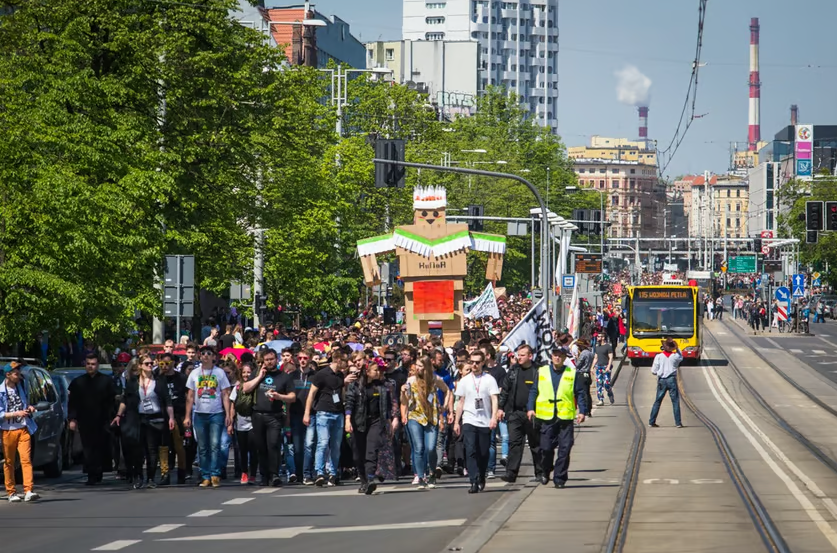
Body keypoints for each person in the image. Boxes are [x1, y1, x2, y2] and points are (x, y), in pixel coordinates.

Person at [527, 346, 587, 489]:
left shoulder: (572, 373)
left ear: (565, 358)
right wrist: (530, 408)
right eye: (555, 355)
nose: (557, 358)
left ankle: (560, 478)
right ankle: (546, 470)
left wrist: (582, 411)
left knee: (565, 449)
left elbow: (579, 393)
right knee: (546, 448)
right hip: (546, 417)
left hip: (564, 417)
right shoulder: (542, 372)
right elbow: (534, 391)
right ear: (551, 356)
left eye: (560, 355)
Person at [113, 355, 175, 489]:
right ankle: (138, 476)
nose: (150, 365)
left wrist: (171, 417)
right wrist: (119, 414)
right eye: (147, 363)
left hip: (155, 419)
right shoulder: (133, 382)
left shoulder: (159, 381)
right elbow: (125, 400)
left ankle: (151, 478)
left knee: (152, 450)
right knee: (137, 450)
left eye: (152, 363)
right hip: (139, 419)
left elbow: (167, 400)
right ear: (140, 366)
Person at [344, 357, 399, 494]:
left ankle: (370, 478)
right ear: (367, 371)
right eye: (375, 370)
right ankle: (363, 479)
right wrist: (348, 420)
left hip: (376, 422)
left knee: (371, 450)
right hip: (358, 422)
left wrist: (389, 421)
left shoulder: (381, 387)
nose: (378, 372)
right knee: (358, 454)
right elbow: (349, 402)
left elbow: (385, 406)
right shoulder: (355, 386)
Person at [242, 348, 295, 487]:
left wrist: (279, 396)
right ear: (263, 361)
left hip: (275, 416)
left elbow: (292, 397)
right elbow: (245, 388)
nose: (269, 362)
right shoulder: (257, 373)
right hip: (257, 415)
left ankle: (274, 474)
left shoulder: (284, 376)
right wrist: (259, 376)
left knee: (273, 445)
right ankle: (264, 476)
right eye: (267, 360)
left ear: (276, 360)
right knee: (261, 447)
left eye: (272, 359)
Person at [184, 346, 233, 488]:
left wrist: (228, 414)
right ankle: (205, 475)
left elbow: (225, 394)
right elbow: (190, 396)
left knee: (215, 445)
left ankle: (215, 474)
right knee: (202, 447)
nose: (205, 356)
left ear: (214, 357)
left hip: (216, 414)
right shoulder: (194, 373)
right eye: (203, 353)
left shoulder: (219, 373)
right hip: (199, 414)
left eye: (208, 354)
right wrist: (187, 416)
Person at [453, 351, 500, 494]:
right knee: (470, 449)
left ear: (482, 363)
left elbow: (494, 399)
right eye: (472, 362)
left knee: (483, 452)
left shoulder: (489, 379)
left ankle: (481, 476)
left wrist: (493, 417)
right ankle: (473, 480)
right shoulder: (465, 381)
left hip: (485, 420)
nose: (474, 365)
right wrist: (456, 421)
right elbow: (461, 402)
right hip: (469, 419)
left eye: (477, 362)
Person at [401, 356, 451, 489]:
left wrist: (444, 407)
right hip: (415, 416)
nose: (418, 368)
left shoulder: (434, 379)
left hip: (431, 417)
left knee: (430, 448)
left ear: (427, 367)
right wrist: (403, 394)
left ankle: (432, 472)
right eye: (416, 365)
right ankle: (421, 476)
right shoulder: (411, 380)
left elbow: (447, 391)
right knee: (418, 448)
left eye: (421, 366)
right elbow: (405, 401)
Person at [68, 353, 117, 485]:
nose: (91, 366)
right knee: (88, 448)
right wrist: (72, 419)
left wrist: (114, 417)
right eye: (88, 364)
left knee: (101, 447)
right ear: (85, 364)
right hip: (85, 420)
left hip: (103, 420)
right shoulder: (78, 383)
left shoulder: (106, 381)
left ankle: (99, 471)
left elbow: (113, 401)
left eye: (93, 364)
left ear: (97, 365)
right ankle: (91, 474)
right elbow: (72, 403)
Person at [497, 344, 542, 484]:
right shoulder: (513, 371)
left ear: (530, 356)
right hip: (515, 413)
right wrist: (500, 407)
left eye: (522, 355)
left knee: (536, 444)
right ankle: (511, 473)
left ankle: (540, 472)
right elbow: (505, 390)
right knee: (514, 443)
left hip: (533, 414)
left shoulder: (538, 371)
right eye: (518, 354)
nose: (519, 357)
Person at [303, 352, 346, 487]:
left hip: (338, 413)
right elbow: (312, 393)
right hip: (323, 412)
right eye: (345, 361)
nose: (347, 364)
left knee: (336, 445)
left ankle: (333, 473)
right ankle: (319, 472)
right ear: (338, 360)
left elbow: (341, 393)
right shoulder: (321, 374)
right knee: (323, 442)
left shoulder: (340, 375)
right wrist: (307, 413)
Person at [0, 362, 40, 502]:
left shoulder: (20, 387)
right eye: (16, 373)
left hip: (23, 428)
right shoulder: (0, 391)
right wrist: (16, 413)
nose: (19, 375)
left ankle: (28, 490)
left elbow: (24, 404)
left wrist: (29, 408)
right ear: (8, 375)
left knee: (26, 460)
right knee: (9, 462)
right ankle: (11, 492)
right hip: (7, 431)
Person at [288, 348, 317, 484]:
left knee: (309, 445)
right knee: (298, 446)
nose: (303, 361)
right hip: (295, 413)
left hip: (311, 413)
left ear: (310, 359)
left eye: (305, 358)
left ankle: (307, 473)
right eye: (300, 358)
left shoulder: (314, 375)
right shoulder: (292, 375)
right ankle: (298, 473)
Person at [159, 352, 189, 484]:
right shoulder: (158, 378)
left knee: (179, 445)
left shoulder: (181, 378)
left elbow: (188, 396)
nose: (165, 366)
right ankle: (164, 473)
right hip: (162, 415)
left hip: (178, 414)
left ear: (173, 363)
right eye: (162, 364)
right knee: (163, 445)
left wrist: (187, 416)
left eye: (168, 363)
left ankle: (182, 471)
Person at [231, 362, 258, 484]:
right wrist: (230, 423)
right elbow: (232, 405)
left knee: (253, 449)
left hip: (253, 422)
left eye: (249, 372)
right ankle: (244, 472)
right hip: (240, 423)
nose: (246, 374)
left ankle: (253, 474)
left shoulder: (256, 386)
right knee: (242, 450)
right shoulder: (237, 387)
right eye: (244, 372)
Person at [648, 339, 684, 428]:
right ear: (672, 348)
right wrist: (677, 347)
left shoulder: (659, 357)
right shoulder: (675, 357)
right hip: (671, 379)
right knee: (675, 401)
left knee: (657, 401)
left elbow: (653, 371)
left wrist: (659, 372)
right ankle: (678, 423)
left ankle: (651, 421)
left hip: (662, 380)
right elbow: (681, 356)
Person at [592, 337, 615, 406]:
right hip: (599, 367)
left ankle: (610, 393)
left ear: (603, 338)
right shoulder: (597, 347)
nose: (597, 338)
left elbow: (611, 357)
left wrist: (608, 366)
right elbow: (596, 358)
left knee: (606, 383)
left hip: (606, 367)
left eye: (599, 337)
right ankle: (600, 400)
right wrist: (592, 367)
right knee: (599, 384)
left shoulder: (608, 346)